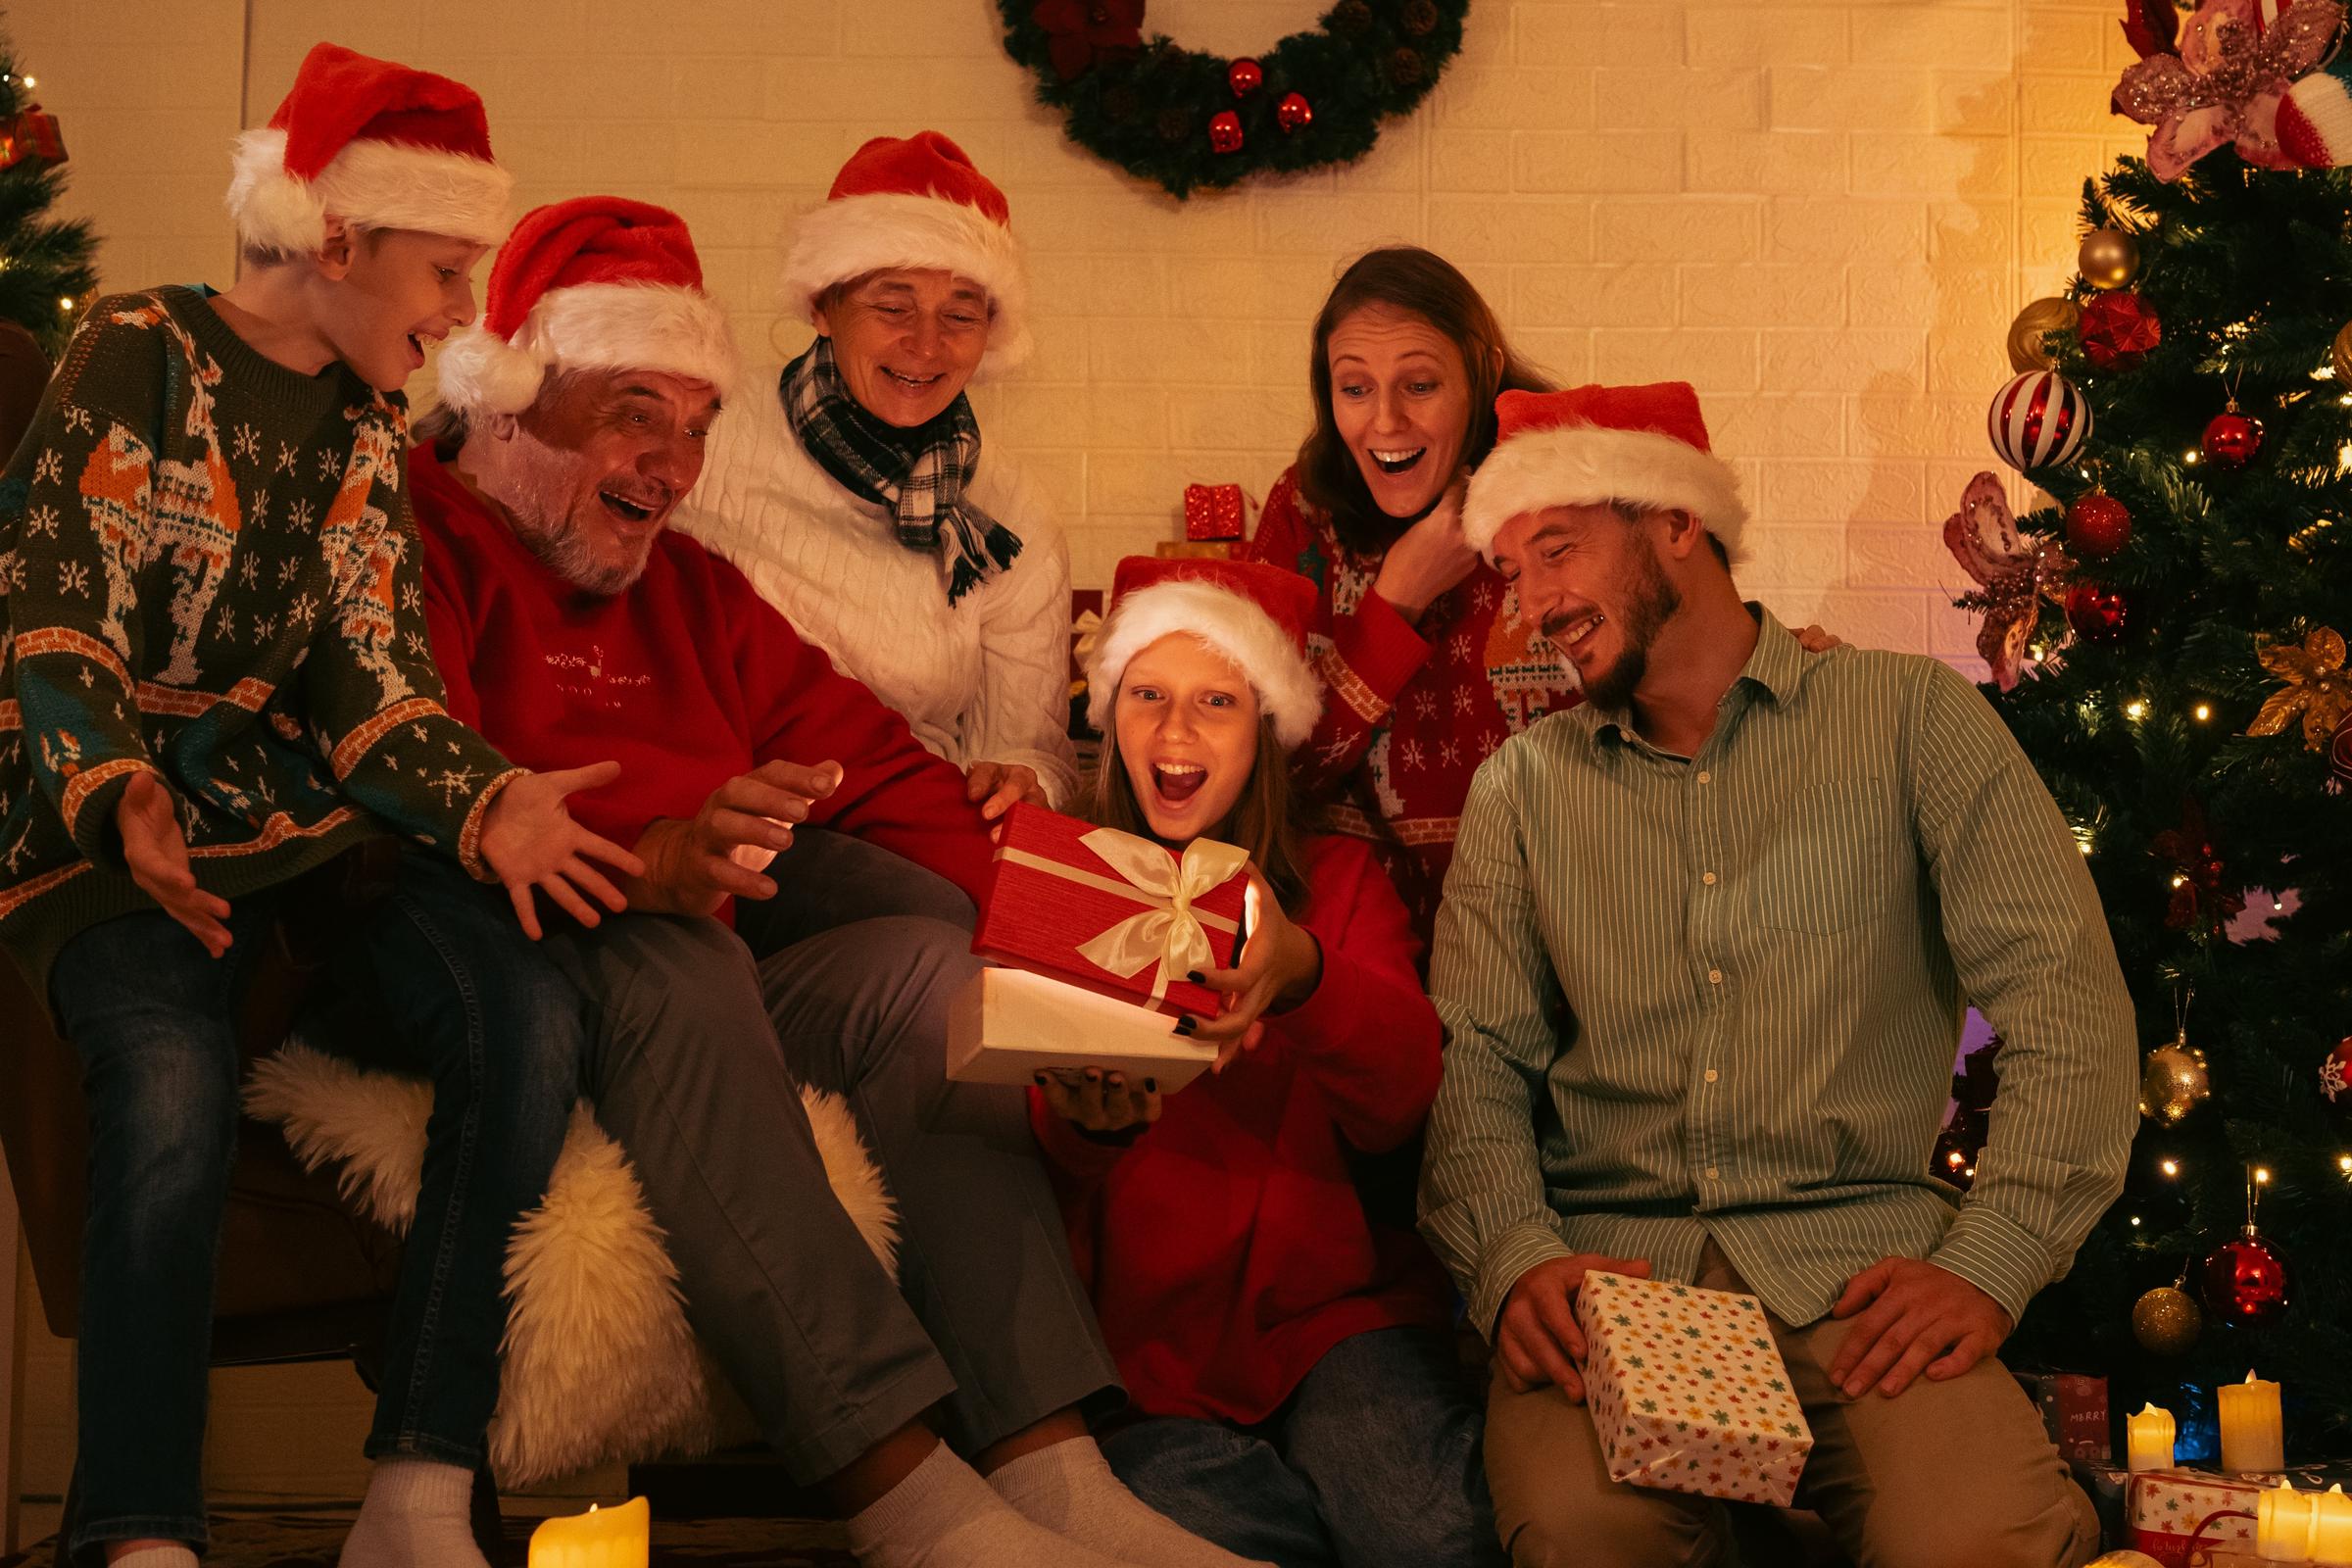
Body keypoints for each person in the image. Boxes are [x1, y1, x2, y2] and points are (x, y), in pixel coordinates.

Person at [415, 195, 1259, 1568]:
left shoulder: (688, 592)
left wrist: (1132, 941)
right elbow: (415, 815)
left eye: (695, 424)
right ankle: (904, 1498)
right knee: (682, 950)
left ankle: (1053, 1472)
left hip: (705, 1008)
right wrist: (653, 865)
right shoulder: (413, 537)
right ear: (511, 396)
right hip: (518, 984)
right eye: (637, 413)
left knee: (932, 971)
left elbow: (882, 777)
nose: (673, 465)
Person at [0, 45, 641, 1568]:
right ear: (338, 239)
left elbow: (373, 686)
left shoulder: (363, 430)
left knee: (525, 1010)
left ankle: (417, 1492)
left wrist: (491, 812)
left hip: (299, 839)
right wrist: (114, 787)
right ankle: (137, 1528)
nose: (460, 315)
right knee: (165, 1081)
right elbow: (50, 598)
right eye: (443, 270)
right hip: (109, 841)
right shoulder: (140, 350)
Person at [1416, 381, 2136, 1568]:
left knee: (1975, 1540)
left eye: (1556, 550)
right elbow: (1477, 1062)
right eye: (1512, 568)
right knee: (1582, 1535)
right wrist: (1514, 1259)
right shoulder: (1523, 789)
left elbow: (2067, 1004)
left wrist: (1994, 1260)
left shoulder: (1910, 719)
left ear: (1675, 526)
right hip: (1620, 1284)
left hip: (1860, 1273)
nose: (1531, 604)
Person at [1031, 556, 1499, 1568]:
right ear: (1110, 719)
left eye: (1216, 702)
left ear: (1265, 735)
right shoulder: (1066, 883)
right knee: (1210, 1537)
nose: (1176, 731)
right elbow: (1027, 1134)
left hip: (1336, 1322)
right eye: (1146, 696)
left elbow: (1406, 1093)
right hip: (1142, 1357)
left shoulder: (1335, 884)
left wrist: (1301, 975)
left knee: (1421, 1526)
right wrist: (1087, 1125)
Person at [670, 129, 1076, 813]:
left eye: (960, 315)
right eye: (892, 306)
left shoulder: (1011, 515)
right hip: (699, 798)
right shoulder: (709, 431)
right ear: (824, 306)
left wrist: (1021, 779)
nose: (925, 343)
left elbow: (1028, 750)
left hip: (895, 824)